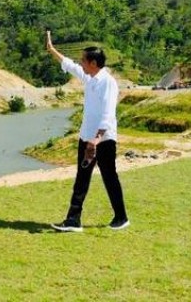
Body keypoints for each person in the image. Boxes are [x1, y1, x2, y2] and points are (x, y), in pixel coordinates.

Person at [46, 31, 129, 232]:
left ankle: (121, 217)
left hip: (103, 140)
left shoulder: (107, 82)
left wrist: (97, 139)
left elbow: (108, 113)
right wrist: (52, 50)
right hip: (87, 137)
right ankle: (73, 220)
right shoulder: (91, 78)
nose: (80, 62)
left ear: (93, 63)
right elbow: (71, 67)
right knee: (82, 178)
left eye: (83, 60)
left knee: (110, 177)